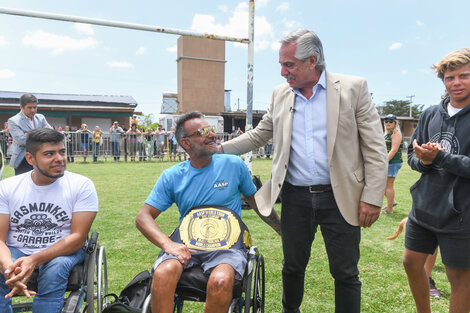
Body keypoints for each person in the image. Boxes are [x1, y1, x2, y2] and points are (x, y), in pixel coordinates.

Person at [219, 29, 387, 313]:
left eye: (289, 64)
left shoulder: (353, 88)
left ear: (312, 60)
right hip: (295, 197)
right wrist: (217, 150)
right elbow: (259, 135)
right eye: (281, 65)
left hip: (341, 197)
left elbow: (374, 148)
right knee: (293, 267)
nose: (283, 72)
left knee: (346, 272)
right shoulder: (280, 94)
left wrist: (372, 197)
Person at [136, 111, 280, 313]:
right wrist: (169, 245)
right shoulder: (172, 176)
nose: (212, 135)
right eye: (203, 132)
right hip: (187, 243)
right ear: (186, 143)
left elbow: (257, 203)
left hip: (228, 247)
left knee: (220, 281)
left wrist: (282, 229)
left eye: (211, 129)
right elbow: (143, 217)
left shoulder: (234, 165)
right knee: (163, 273)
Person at [0, 128, 98, 313]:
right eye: (49, 154)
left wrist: (33, 260)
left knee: (55, 269)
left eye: (62, 152)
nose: (59, 158)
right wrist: (8, 267)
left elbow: (78, 238)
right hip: (16, 249)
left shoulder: (81, 185)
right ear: (30, 159)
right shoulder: (7, 187)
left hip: (64, 250)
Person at [402, 48, 470, 313]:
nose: (456, 82)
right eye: (450, 77)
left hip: (462, 213)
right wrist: (424, 161)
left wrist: (440, 158)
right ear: (443, 81)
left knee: (459, 278)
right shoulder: (430, 113)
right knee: (410, 262)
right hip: (424, 206)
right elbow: (412, 154)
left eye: (464, 76)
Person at [8, 93, 51, 175]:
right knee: (23, 186)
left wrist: (29, 134)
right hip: (23, 160)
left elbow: (50, 135)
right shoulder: (13, 121)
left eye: (35, 107)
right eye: (29, 108)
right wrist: (42, 132)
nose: (33, 110)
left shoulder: (41, 117)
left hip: (41, 157)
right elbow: (22, 141)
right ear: (21, 107)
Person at [382, 114, 403, 214]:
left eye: (391, 121)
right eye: (386, 121)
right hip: (388, 162)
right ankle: (392, 202)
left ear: (395, 123)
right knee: (383, 185)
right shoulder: (387, 133)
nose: (388, 123)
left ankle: (389, 209)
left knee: (388, 185)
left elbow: (394, 150)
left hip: (393, 162)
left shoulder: (395, 133)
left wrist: (384, 162)